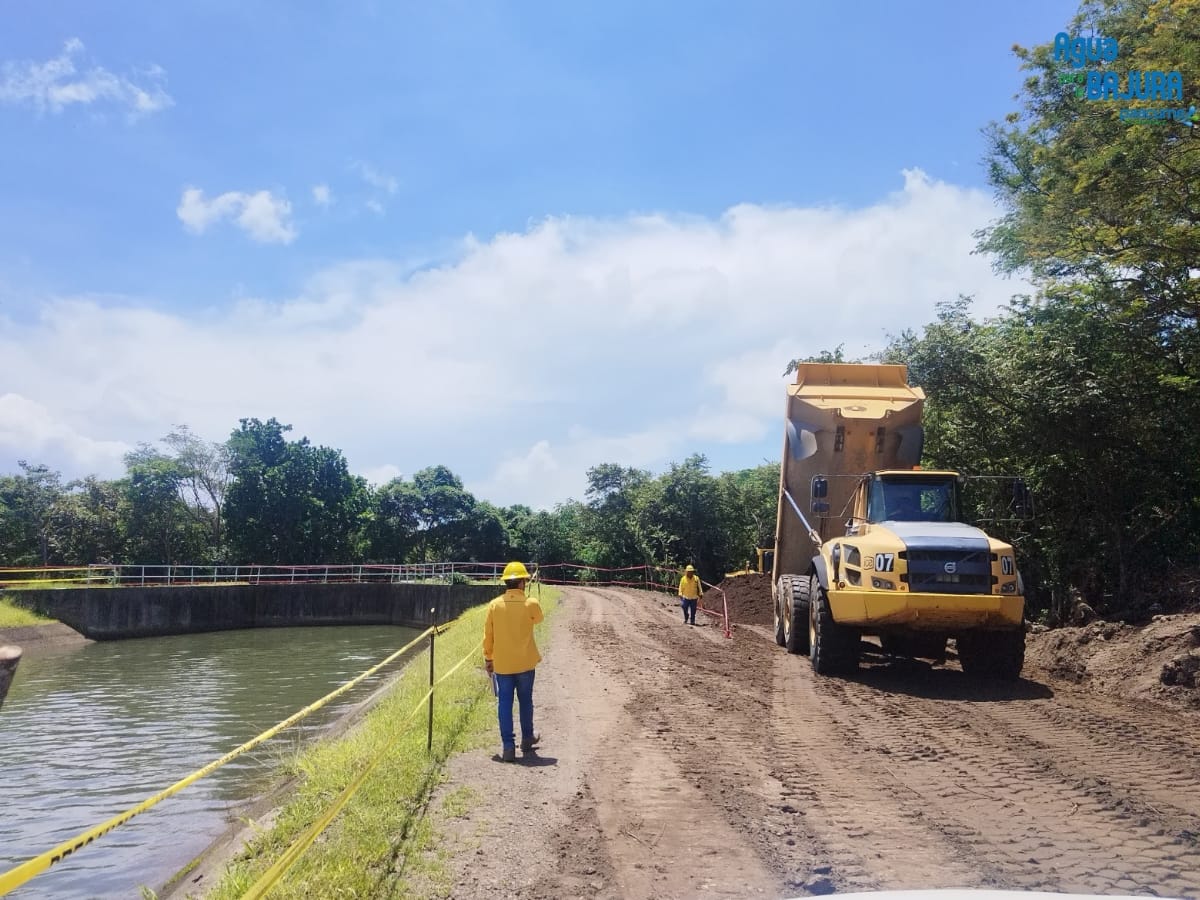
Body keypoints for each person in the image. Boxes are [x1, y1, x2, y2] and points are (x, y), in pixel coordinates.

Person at [484, 561, 544, 762]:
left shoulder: (494, 605)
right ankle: (527, 739)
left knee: (504, 703)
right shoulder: (531, 604)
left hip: (502, 664)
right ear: (520, 583)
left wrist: (488, 658)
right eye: (525, 581)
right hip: (526, 663)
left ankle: (508, 747)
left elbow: (488, 636)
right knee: (526, 701)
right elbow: (539, 619)